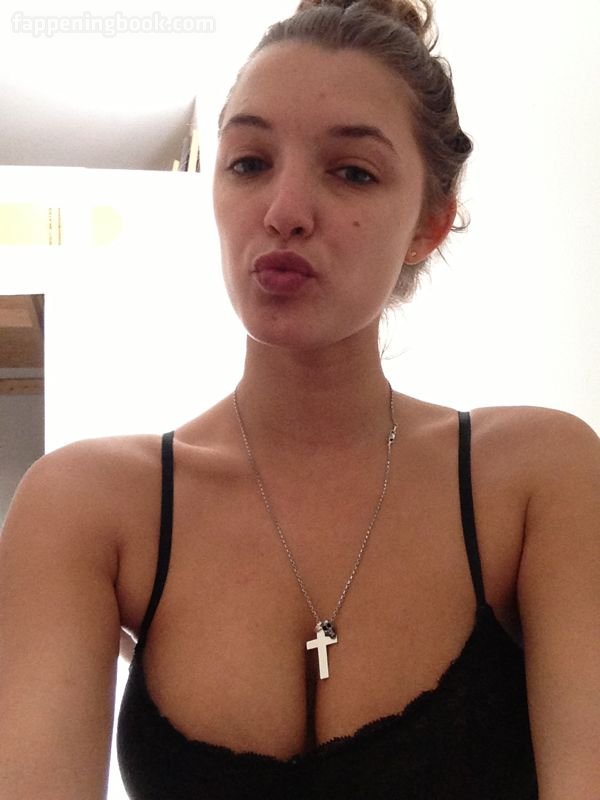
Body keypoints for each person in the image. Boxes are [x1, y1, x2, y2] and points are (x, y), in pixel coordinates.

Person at [1, 0, 599, 797]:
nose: (283, 213)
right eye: (250, 162)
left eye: (352, 172)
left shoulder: (536, 480)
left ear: (429, 224)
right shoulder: (87, 505)